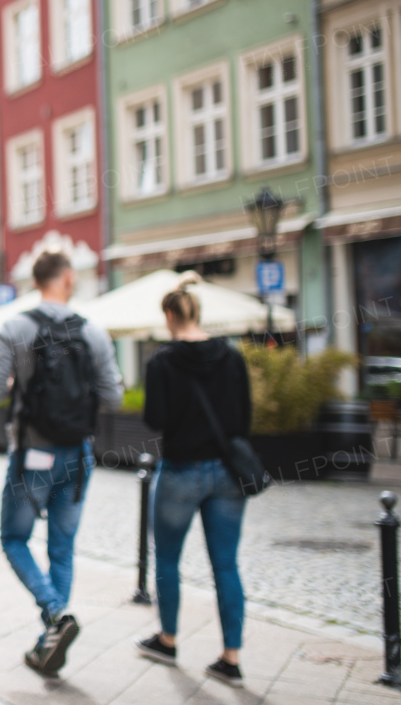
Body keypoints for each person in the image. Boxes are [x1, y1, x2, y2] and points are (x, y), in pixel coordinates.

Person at [0, 250, 123, 677]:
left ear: (35, 281)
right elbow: (113, 397)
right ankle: (53, 636)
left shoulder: (15, 326)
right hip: (78, 454)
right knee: (62, 548)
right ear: (65, 279)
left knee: (13, 538)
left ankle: (55, 615)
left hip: (32, 454)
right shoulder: (93, 332)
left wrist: (14, 381)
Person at [135, 273, 251, 688]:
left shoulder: (162, 361)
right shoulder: (233, 356)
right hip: (227, 472)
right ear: (197, 311)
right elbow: (243, 418)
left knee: (167, 559)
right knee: (226, 564)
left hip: (182, 469)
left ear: (170, 315)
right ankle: (231, 658)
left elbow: (156, 419)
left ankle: (167, 639)